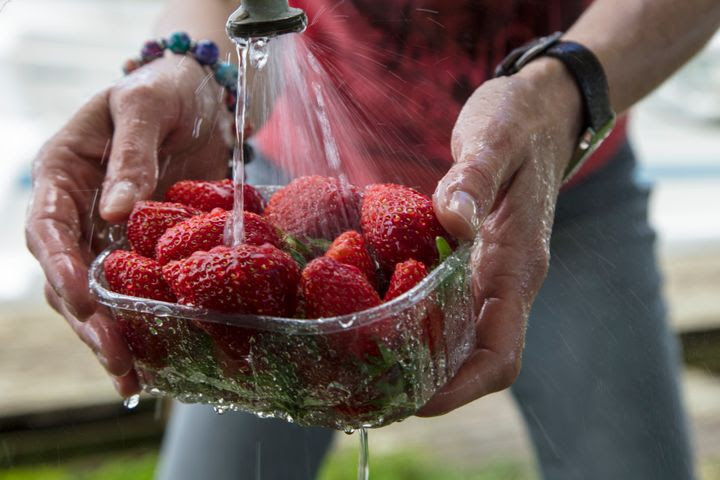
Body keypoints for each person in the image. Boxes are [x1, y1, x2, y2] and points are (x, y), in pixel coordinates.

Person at [25, 0, 720, 478]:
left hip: (562, 186)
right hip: (284, 214)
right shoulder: (260, 242)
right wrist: (195, 69)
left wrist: (568, 89)